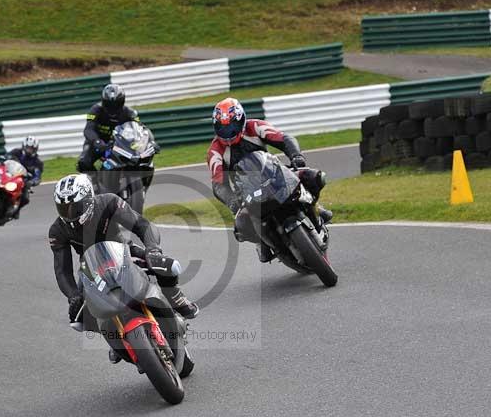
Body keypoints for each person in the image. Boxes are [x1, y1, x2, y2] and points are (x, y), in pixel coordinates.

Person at [49, 174, 199, 360]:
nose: (69, 214)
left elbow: (142, 225)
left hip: (123, 252)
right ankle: (113, 335)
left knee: (162, 264)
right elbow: (62, 270)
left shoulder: (108, 202)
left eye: (74, 207)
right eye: (63, 208)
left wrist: (152, 250)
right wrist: (73, 296)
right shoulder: (57, 230)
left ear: (88, 199)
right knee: (78, 315)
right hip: (91, 267)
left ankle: (175, 296)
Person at [206, 97, 332, 263]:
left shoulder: (255, 126)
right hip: (246, 192)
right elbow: (218, 183)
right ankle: (263, 243)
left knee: (314, 177)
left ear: (241, 120)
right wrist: (231, 200)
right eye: (223, 128)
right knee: (241, 225)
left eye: (232, 127)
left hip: (275, 173)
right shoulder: (215, 151)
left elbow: (284, 138)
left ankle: (314, 207)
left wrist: (296, 156)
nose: (228, 133)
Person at [76, 83, 141, 186]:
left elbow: (139, 130)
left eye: (116, 105)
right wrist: (96, 141)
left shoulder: (130, 113)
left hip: (120, 144)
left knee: (138, 160)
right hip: (98, 142)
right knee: (83, 162)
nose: (113, 109)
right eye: (109, 105)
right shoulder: (95, 110)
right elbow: (88, 129)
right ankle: (95, 183)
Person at [0, 136, 43, 219]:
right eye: (28, 147)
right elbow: (4, 157)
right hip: (9, 175)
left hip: (22, 182)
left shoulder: (38, 162)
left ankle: (16, 210)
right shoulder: (16, 152)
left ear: (35, 149)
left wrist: (32, 182)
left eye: (31, 148)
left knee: (25, 198)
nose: (29, 150)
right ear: (24, 146)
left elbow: (38, 177)